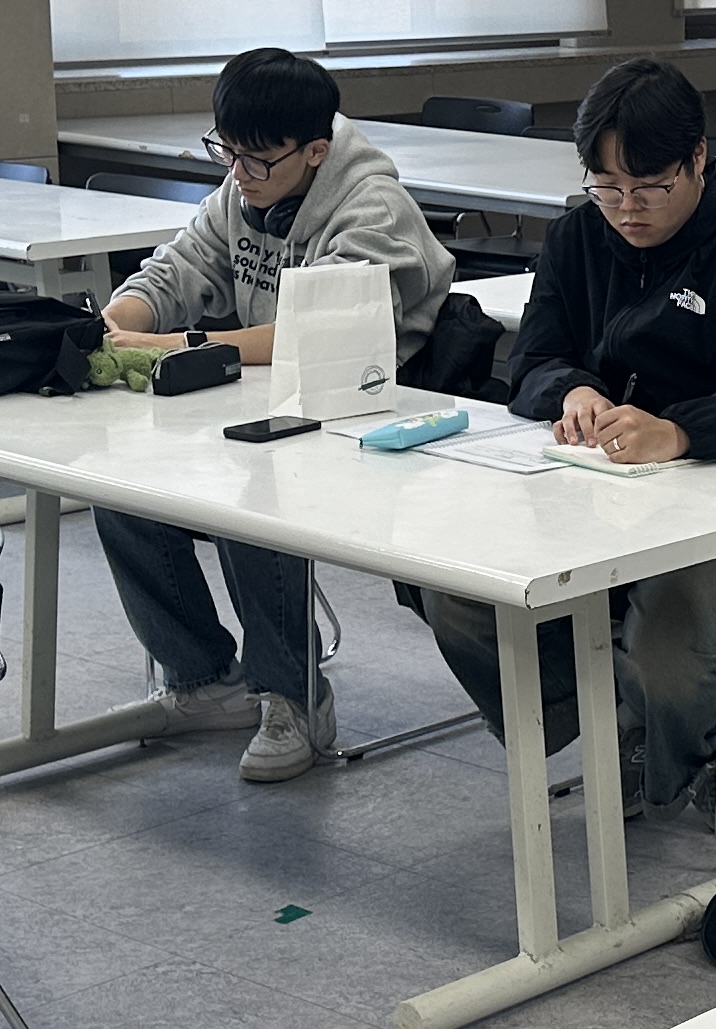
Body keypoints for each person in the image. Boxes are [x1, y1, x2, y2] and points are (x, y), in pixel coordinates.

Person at [418, 58, 716, 833]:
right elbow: (534, 357)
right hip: (601, 487)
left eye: (649, 188)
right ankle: (628, 729)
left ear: (698, 158)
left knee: (669, 639)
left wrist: (679, 431)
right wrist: (572, 391)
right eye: (607, 188)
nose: (627, 210)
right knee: (462, 595)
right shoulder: (580, 234)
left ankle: (673, 741)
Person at [94, 48, 455, 783]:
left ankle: (294, 696)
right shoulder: (244, 187)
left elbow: (313, 336)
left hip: (380, 424)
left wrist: (169, 344)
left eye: (256, 160)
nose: (238, 174)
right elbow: (176, 270)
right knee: (117, 488)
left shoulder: (372, 210)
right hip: (279, 403)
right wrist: (114, 323)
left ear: (315, 151)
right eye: (226, 153)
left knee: (256, 497)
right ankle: (204, 679)